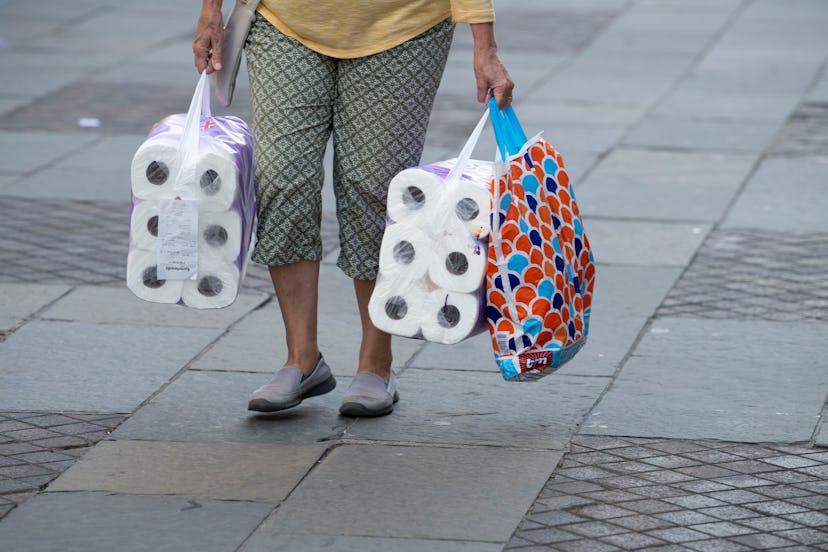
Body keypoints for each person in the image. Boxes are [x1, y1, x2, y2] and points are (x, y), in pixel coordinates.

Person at [194, 0, 513, 417]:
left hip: (402, 27)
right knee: (280, 179)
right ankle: (301, 358)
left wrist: (485, 46)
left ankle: (376, 363)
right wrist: (210, 10)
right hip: (283, 20)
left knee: (375, 189)